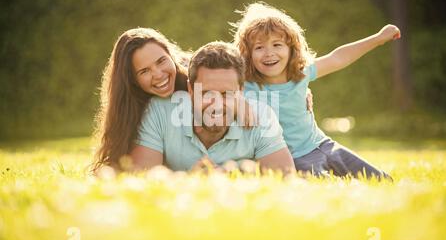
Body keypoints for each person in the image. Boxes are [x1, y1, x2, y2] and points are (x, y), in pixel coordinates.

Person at [234, 2, 398, 180]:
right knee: (326, 186)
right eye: (259, 47)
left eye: (277, 45)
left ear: (292, 49)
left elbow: (338, 58)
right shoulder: (245, 84)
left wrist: (379, 38)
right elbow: (210, 69)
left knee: (381, 179)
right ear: (247, 54)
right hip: (294, 158)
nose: (269, 53)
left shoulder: (302, 73)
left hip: (324, 144)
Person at [129, 41, 295, 173]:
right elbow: (142, 180)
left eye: (226, 94)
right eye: (207, 93)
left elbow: (286, 182)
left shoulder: (261, 117)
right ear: (190, 90)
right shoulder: (160, 111)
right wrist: (189, 181)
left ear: (241, 91)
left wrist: (234, 177)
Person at [92, 27, 190, 172]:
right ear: (132, 80)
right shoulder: (130, 111)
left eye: (161, 61)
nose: (158, 74)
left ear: (171, 56)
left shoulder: (196, 80)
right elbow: (125, 164)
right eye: (144, 71)